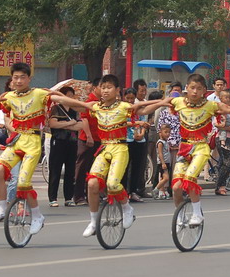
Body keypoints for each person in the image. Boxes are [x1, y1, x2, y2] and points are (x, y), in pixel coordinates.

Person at [0, 63, 84, 235]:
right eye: (15, 77)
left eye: (22, 77)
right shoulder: (9, 97)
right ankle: (2, 208)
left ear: (29, 78)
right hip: (16, 141)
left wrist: (88, 106)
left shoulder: (39, 93)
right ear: (11, 79)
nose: (18, 81)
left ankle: (37, 216)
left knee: (23, 183)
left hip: (32, 142)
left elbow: (61, 100)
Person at [161, 73, 230, 226]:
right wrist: (136, 108)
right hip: (184, 148)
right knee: (176, 186)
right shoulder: (178, 101)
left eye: (199, 89)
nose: (195, 92)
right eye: (192, 88)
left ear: (204, 90)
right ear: (187, 88)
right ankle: (179, 214)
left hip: (201, 147)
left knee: (189, 179)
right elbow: (158, 103)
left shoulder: (211, 105)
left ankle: (197, 213)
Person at [77, 75, 167, 237]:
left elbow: (143, 109)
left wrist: (161, 102)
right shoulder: (96, 107)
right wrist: (54, 97)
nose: (105, 90)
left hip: (120, 148)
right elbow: (78, 106)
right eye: (103, 87)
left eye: (109, 87)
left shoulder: (125, 106)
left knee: (112, 184)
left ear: (117, 90)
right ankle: (93, 220)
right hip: (104, 148)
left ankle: (127, 208)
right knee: (91, 183)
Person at [47, 86, 81, 207]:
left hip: (72, 142)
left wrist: (65, 125)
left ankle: (68, 197)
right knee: (55, 170)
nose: (70, 98)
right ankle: (52, 198)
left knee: (70, 170)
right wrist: (69, 123)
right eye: (67, 95)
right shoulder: (56, 108)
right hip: (58, 142)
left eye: (72, 96)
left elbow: (79, 126)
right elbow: (52, 123)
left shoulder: (74, 109)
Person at [72, 78, 100, 205]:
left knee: (94, 169)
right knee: (82, 168)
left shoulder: (101, 103)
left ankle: (91, 195)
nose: (104, 90)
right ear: (95, 88)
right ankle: (78, 196)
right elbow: (84, 120)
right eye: (102, 87)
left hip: (98, 139)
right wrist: (88, 136)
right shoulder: (89, 102)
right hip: (86, 140)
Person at [126, 81, 151, 201]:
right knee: (126, 168)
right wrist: (137, 123)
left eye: (132, 98)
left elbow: (143, 121)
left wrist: (141, 133)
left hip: (139, 140)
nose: (130, 100)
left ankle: (134, 191)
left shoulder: (140, 108)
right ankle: (125, 191)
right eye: (128, 98)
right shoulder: (123, 108)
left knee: (138, 166)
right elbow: (122, 123)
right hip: (127, 140)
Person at [213, 88, 230, 195]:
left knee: (224, 162)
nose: (228, 100)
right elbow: (216, 124)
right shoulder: (219, 110)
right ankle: (220, 184)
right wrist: (227, 128)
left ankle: (220, 185)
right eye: (226, 97)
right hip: (221, 138)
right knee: (229, 161)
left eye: (229, 97)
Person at [153, 123, 172, 199]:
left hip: (167, 162)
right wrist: (163, 162)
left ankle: (162, 192)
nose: (167, 134)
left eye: (169, 132)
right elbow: (160, 154)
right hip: (162, 163)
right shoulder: (160, 143)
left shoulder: (166, 142)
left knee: (163, 178)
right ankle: (156, 189)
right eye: (165, 132)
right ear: (160, 132)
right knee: (166, 178)